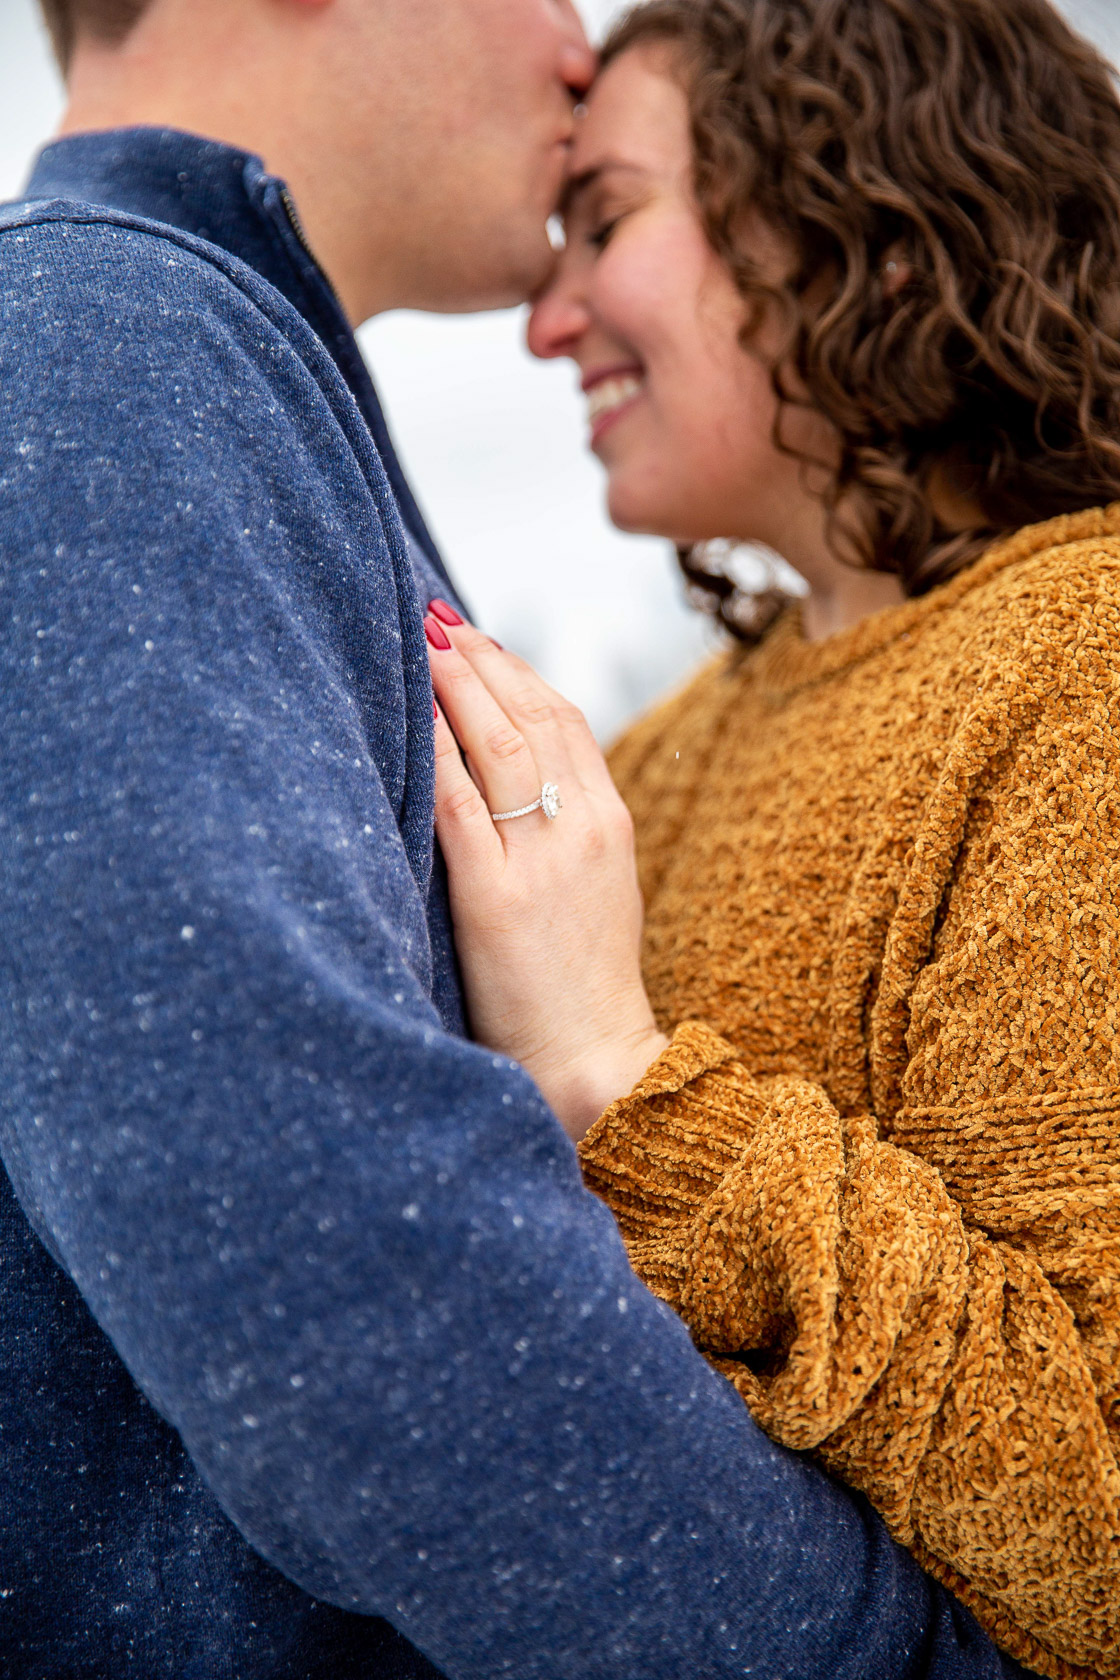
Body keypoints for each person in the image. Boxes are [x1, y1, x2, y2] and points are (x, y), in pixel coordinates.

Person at [0, 0, 1037, 1676]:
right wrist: (874, 1651)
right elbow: (326, 1246)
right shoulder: (108, 350)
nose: (574, 41)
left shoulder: (196, 364)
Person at [423, 1, 1120, 1678]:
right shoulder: (666, 752)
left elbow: (1094, 1529)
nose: (548, 317)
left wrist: (618, 1075)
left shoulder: (1086, 672)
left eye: (607, 221)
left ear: (854, 221)